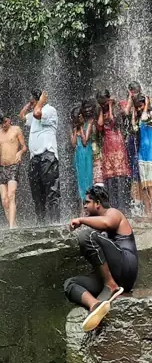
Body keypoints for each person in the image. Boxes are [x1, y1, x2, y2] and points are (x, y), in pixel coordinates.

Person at [66, 186, 138, 331]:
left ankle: (110, 285)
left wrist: (81, 220)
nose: (85, 206)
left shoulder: (114, 213)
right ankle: (95, 305)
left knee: (86, 236)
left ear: (97, 203)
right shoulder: (96, 226)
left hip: (125, 268)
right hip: (113, 275)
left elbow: (107, 223)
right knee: (70, 284)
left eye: (87, 203)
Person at [19, 89, 60, 224]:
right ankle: (41, 223)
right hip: (35, 158)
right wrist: (29, 104)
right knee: (37, 195)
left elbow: (37, 113)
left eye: (33, 102)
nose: (32, 106)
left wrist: (41, 102)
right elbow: (22, 116)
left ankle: (55, 224)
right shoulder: (33, 113)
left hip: (47, 156)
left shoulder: (49, 110)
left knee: (51, 192)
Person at [97, 89, 131, 213]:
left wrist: (111, 106)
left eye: (104, 102)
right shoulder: (101, 111)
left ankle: (123, 207)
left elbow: (113, 121)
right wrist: (101, 109)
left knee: (120, 176)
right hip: (107, 147)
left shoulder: (117, 107)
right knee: (110, 178)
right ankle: (112, 207)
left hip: (117, 144)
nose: (103, 104)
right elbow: (100, 126)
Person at [0, 111, 26, 228]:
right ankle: (14, 224)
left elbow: (24, 147)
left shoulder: (16, 129)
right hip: (2, 167)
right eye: (2, 122)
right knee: (4, 200)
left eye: (5, 121)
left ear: (10, 120)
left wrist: (20, 152)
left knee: (11, 195)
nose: (4, 124)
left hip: (13, 166)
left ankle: (11, 227)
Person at [121, 81, 143, 209]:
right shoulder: (127, 103)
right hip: (132, 139)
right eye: (132, 91)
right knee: (134, 170)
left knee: (142, 169)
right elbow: (126, 113)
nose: (135, 93)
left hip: (143, 138)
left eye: (136, 91)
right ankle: (136, 202)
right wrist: (130, 98)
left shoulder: (144, 102)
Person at [71, 104, 94, 205]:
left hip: (87, 153)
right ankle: (82, 205)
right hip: (78, 154)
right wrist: (76, 130)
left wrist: (81, 129)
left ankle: (89, 203)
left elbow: (85, 142)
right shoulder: (72, 129)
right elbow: (73, 143)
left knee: (88, 177)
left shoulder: (88, 125)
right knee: (80, 179)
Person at [134, 95, 152, 215]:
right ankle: (147, 211)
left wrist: (147, 103)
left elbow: (145, 118)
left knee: (151, 185)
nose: (139, 109)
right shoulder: (139, 118)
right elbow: (135, 128)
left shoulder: (149, 116)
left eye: (140, 106)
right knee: (144, 185)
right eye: (138, 107)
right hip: (142, 155)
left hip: (150, 155)